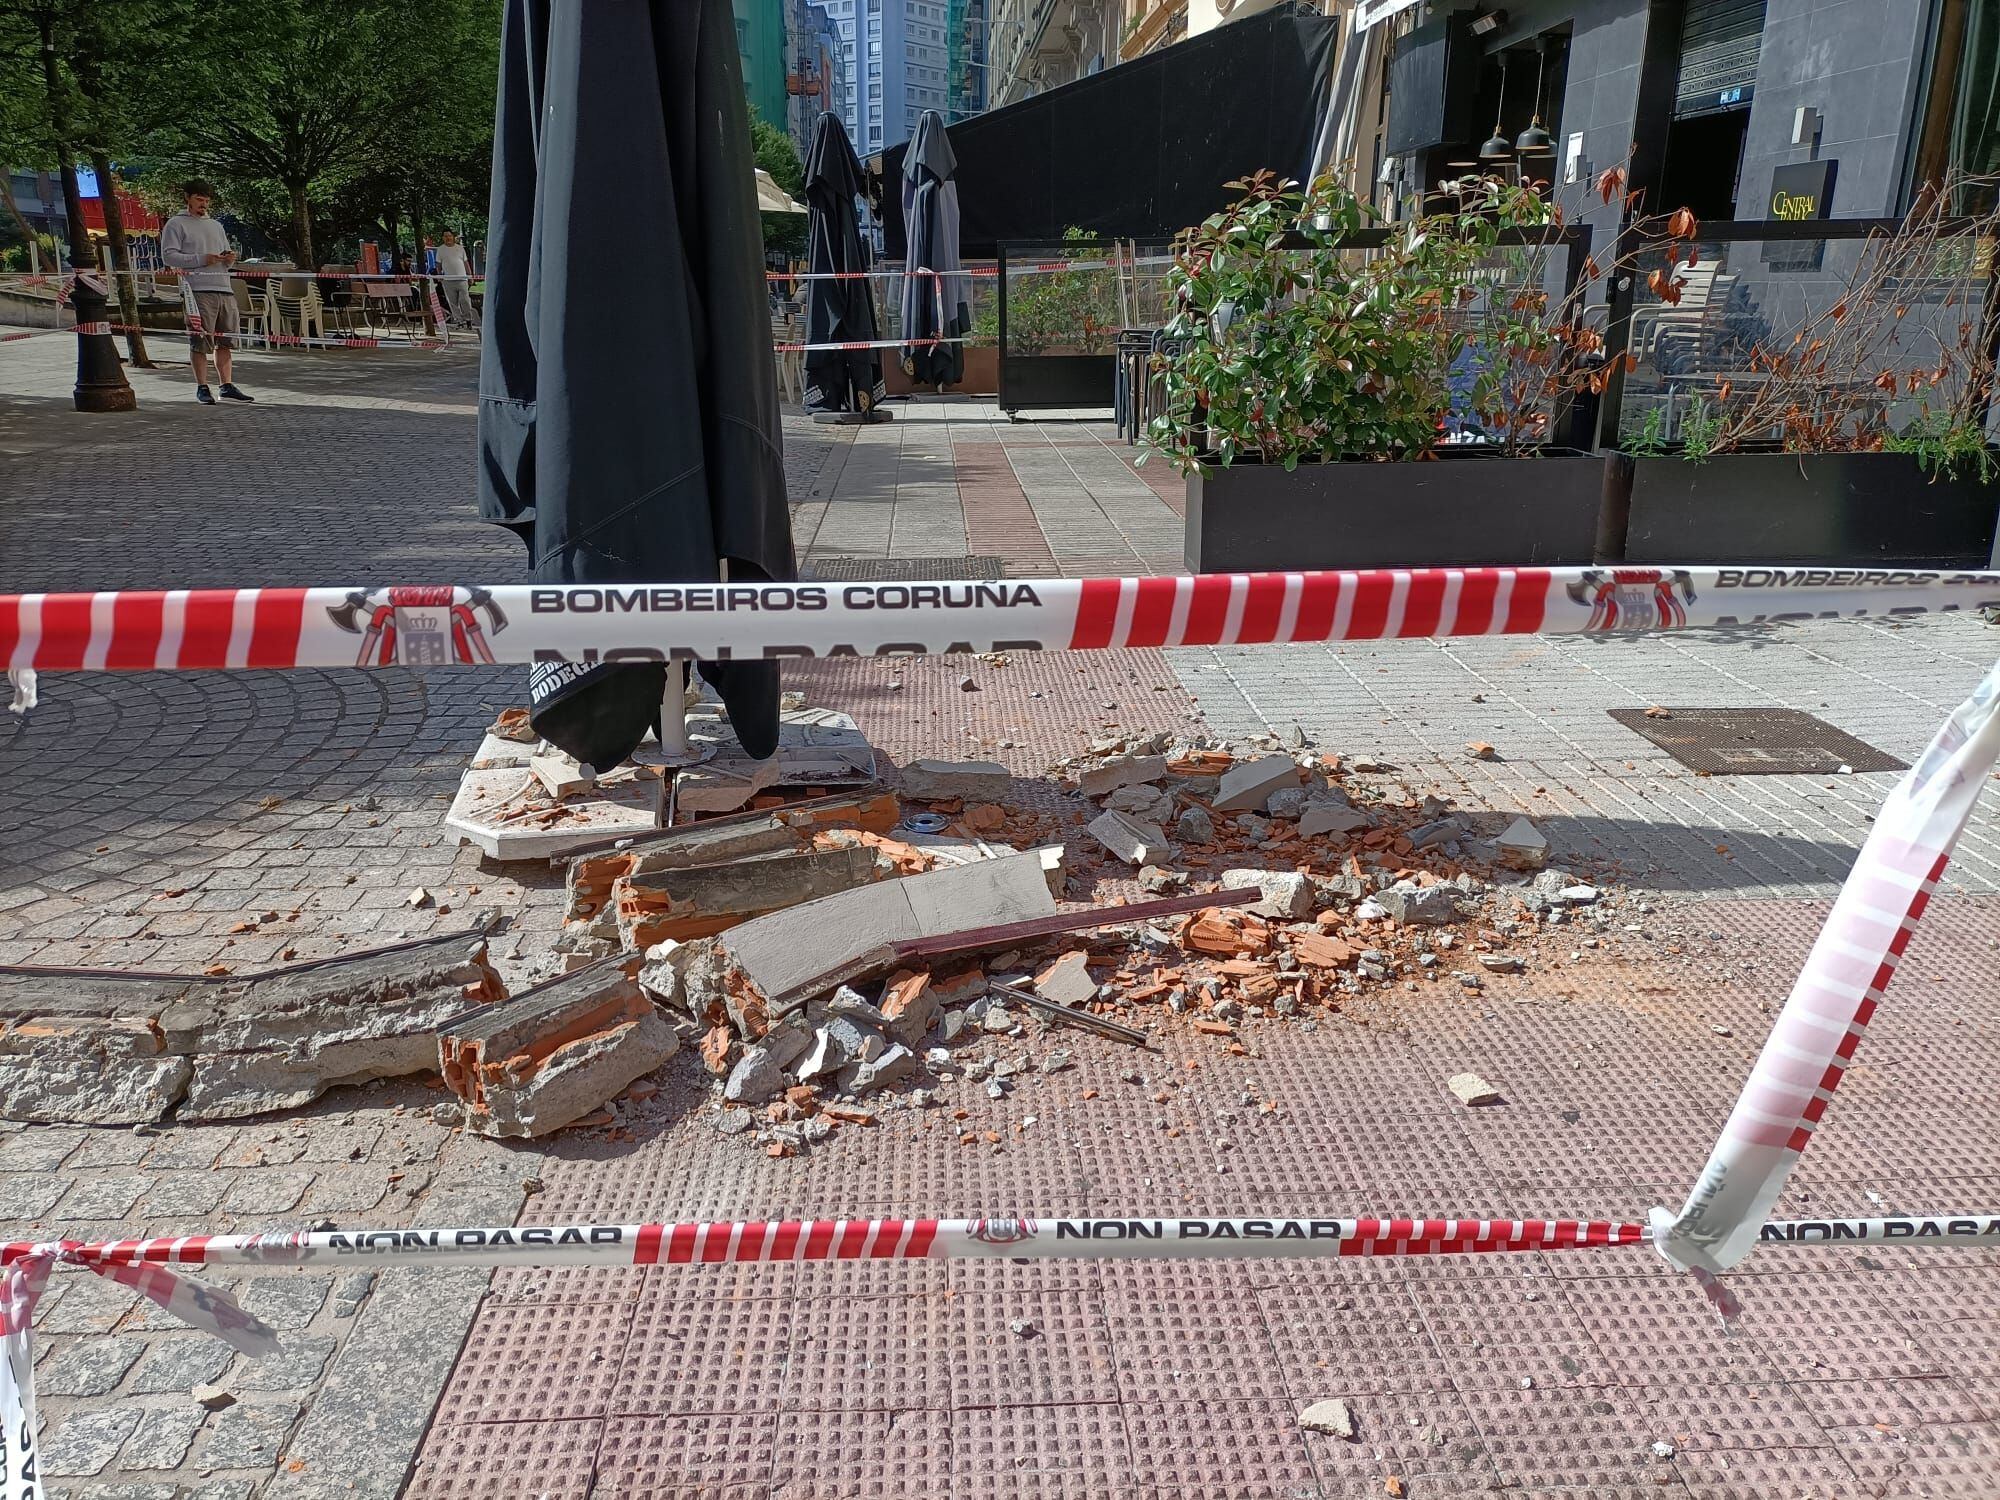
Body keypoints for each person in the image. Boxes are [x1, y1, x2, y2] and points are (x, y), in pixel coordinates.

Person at [159, 181, 252, 404]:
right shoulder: (176, 224)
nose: (203, 204)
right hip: (198, 289)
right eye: (199, 199)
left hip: (223, 287)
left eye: (207, 200)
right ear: (187, 198)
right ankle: (202, 386)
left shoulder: (216, 225)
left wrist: (228, 259)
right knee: (200, 340)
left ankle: (226, 384)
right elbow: (169, 257)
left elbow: (225, 255)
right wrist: (201, 259)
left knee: (226, 340)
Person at [435, 230, 475, 328]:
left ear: (453, 237)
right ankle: (458, 321)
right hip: (448, 280)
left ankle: (468, 319)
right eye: (445, 236)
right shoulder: (440, 249)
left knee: (464, 300)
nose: (448, 238)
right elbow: (438, 264)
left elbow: (466, 263)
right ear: (443, 238)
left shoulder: (460, 248)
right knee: (453, 302)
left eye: (449, 236)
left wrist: (470, 276)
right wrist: (439, 275)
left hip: (462, 279)